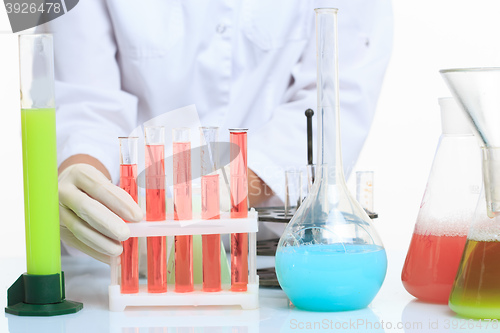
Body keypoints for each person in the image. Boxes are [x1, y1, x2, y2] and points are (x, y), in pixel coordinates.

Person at [39, 0, 393, 263]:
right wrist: (81, 176)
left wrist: (224, 189)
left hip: (272, 259)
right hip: (120, 253)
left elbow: (335, 97)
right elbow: (82, 99)